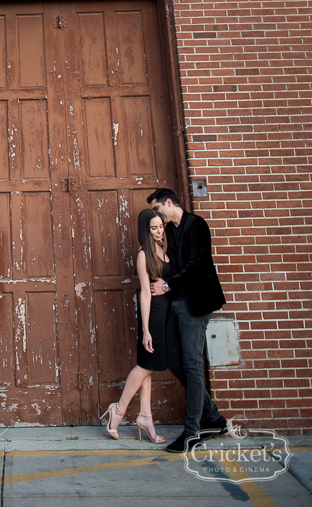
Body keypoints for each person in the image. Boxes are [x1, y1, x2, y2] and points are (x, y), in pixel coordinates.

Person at [147, 187, 229, 452]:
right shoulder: (169, 232)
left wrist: (168, 286)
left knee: (193, 365)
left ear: (169, 202)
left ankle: (192, 431)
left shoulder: (196, 225)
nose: (156, 215)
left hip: (197, 302)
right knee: (173, 359)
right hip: (177, 303)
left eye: (157, 209)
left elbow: (198, 265)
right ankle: (214, 418)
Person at [100, 209, 173, 443]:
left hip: (167, 314)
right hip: (153, 315)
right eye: (154, 228)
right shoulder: (144, 255)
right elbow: (144, 293)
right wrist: (146, 330)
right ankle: (118, 411)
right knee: (146, 366)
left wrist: (168, 286)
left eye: (160, 226)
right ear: (145, 229)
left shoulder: (166, 247)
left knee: (148, 365)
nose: (159, 230)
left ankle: (145, 417)